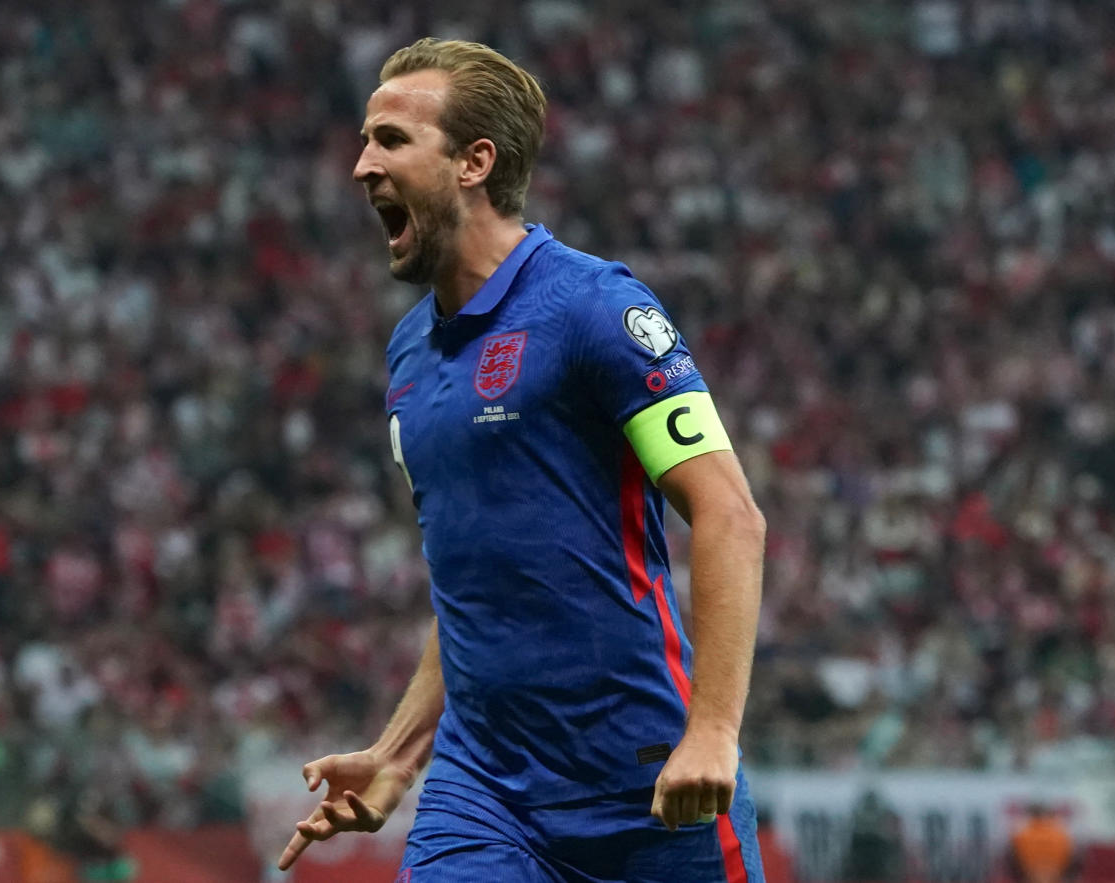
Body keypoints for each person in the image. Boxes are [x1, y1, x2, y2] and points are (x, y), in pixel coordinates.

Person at [278, 37, 767, 882]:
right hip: (485, 792)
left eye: (391, 140)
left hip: (648, 780)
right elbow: (474, 581)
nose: (361, 165)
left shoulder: (594, 309)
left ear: (474, 161)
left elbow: (729, 513)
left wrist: (714, 729)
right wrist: (399, 752)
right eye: (364, 140)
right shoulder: (408, 353)